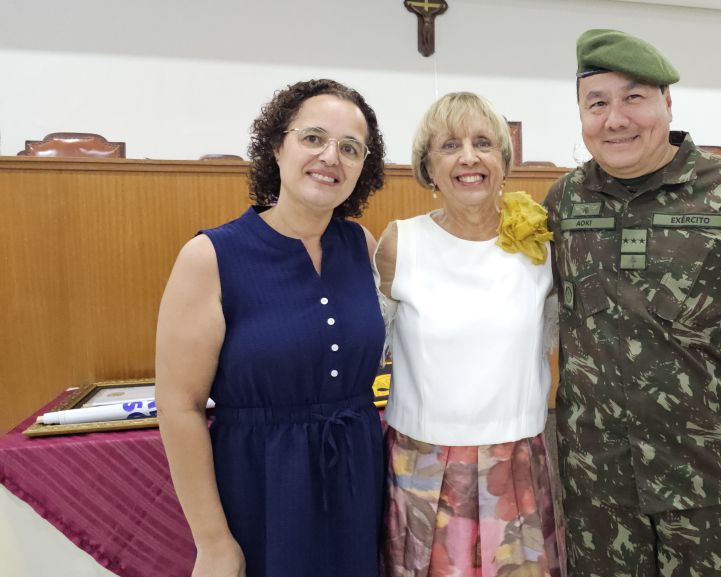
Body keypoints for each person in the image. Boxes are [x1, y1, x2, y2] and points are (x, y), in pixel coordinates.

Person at [544, 29, 721, 577]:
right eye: (597, 103)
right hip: (597, 484)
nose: (615, 119)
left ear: (667, 102)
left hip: (705, 478)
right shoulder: (564, 202)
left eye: (634, 97)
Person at [155, 79, 388, 577]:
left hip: (358, 478)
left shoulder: (362, 245)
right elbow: (179, 406)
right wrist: (213, 542)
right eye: (313, 138)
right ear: (277, 146)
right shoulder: (210, 256)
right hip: (261, 485)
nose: (331, 157)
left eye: (350, 148)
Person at [374, 92, 562, 577]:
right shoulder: (400, 243)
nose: (469, 157)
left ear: (504, 160)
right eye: (449, 145)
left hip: (516, 460)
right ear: (428, 167)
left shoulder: (540, 247)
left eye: (483, 143)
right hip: (423, 463)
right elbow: (370, 346)